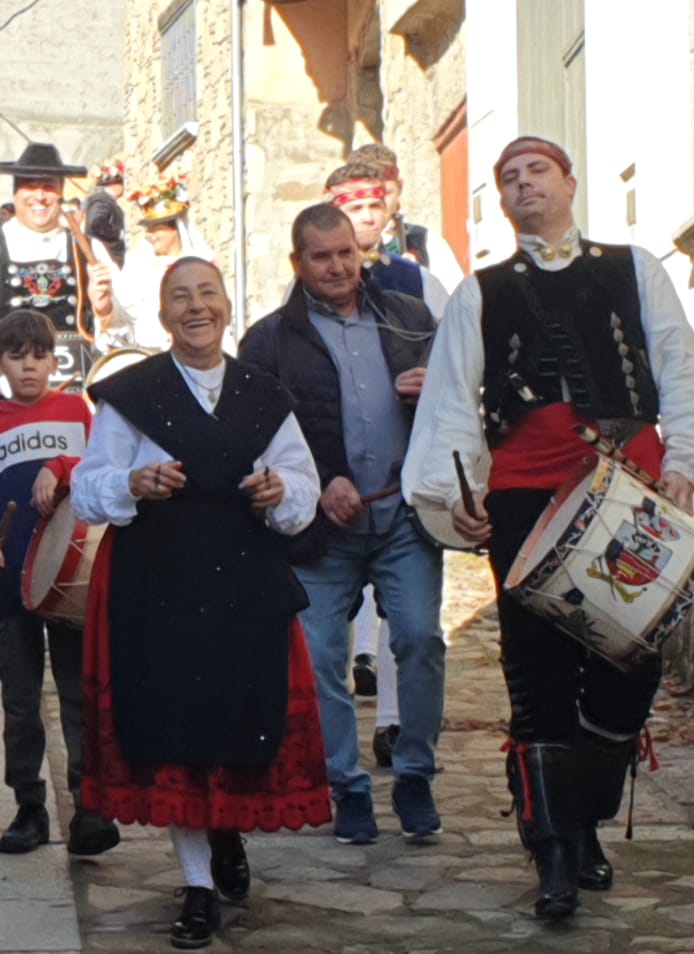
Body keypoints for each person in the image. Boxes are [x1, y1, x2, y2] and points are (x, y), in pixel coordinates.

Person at [402, 136, 694, 920]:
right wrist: (458, 496)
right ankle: (553, 848)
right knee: (537, 673)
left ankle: (584, 820)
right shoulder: (479, 294)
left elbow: (678, 366)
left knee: (628, 670)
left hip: (631, 489)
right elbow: (452, 400)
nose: (523, 186)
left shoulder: (635, 268)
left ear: (569, 182)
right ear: (503, 201)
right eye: (508, 179)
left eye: (536, 171)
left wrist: (683, 462)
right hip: (523, 500)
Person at [73, 257, 330, 950]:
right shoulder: (131, 394)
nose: (196, 307)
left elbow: (302, 488)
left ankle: (228, 832)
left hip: (245, 582)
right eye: (180, 297)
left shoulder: (262, 394)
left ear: (225, 306)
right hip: (159, 585)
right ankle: (196, 885)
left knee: (241, 719)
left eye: (207, 293)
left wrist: (282, 493)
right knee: (175, 731)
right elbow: (88, 487)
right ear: (162, 316)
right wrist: (134, 480)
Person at [238, 203, 444, 847]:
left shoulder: (409, 318)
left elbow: (461, 399)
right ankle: (347, 787)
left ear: (361, 254)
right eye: (321, 257)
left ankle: (414, 775)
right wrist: (320, 480)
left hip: (403, 516)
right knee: (323, 656)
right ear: (298, 263)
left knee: (419, 641)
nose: (336, 267)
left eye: (345, 253)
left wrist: (434, 384)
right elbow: (258, 432)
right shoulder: (269, 340)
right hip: (318, 534)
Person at [0, 311, 121, 858]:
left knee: (79, 697)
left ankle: (87, 809)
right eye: (16, 356)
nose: (28, 366)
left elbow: (103, 466)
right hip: (7, 589)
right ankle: (29, 807)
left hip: (70, 588)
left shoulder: (78, 412)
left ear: (55, 360)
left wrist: (63, 465)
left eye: (39, 355)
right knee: (20, 703)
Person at [0, 142, 115, 398]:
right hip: (10, 402)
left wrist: (103, 310)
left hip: (78, 403)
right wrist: (8, 385)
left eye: (48, 186)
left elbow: (124, 327)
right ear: (15, 193)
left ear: (60, 192)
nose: (39, 196)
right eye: (30, 186)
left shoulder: (89, 249)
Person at [325, 162, 449, 318]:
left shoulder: (417, 278)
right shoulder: (313, 281)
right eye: (355, 209)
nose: (368, 218)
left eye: (375, 207)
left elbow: (449, 337)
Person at [347, 143, 465, 291]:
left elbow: (455, 306)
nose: (377, 206)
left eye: (385, 193)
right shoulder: (329, 246)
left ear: (399, 188)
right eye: (367, 196)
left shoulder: (426, 242)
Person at [114, 175, 213, 352]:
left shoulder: (202, 266)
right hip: (149, 354)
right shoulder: (139, 269)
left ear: (175, 230)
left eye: (156, 229)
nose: (149, 236)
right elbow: (122, 312)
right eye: (148, 229)